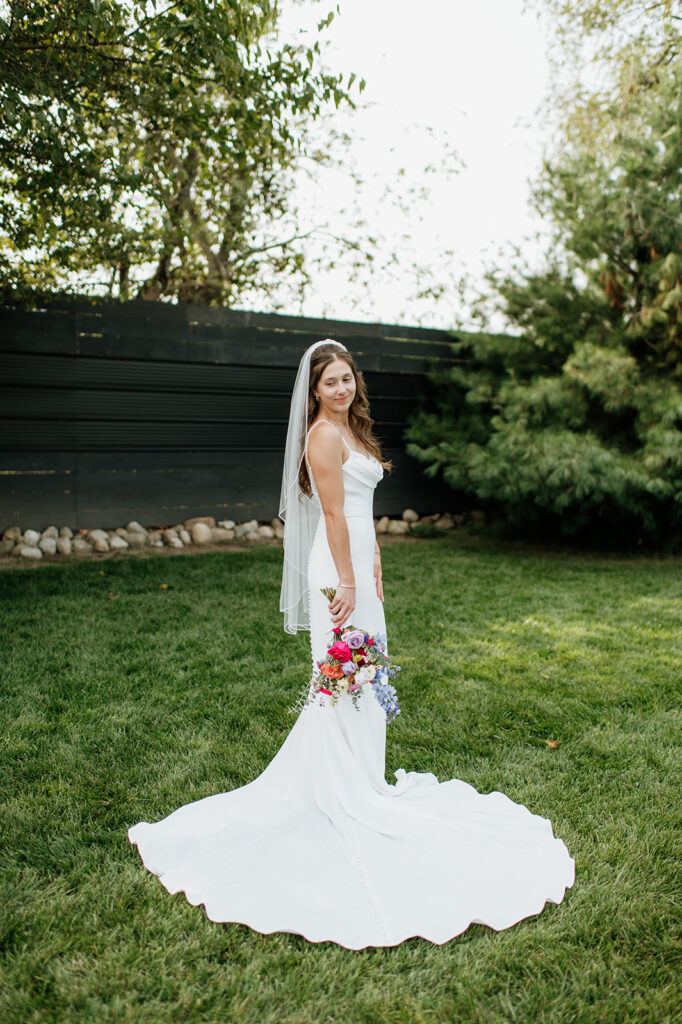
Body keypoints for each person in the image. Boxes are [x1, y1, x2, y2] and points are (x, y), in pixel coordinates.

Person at [128, 338, 575, 949]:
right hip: (337, 575)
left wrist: (377, 569)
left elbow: (364, 513)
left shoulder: (355, 430)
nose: (341, 389)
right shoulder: (322, 436)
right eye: (330, 382)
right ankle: (341, 794)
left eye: (347, 379)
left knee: (365, 682)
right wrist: (346, 580)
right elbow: (335, 517)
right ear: (314, 390)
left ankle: (363, 782)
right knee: (342, 683)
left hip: (360, 570)